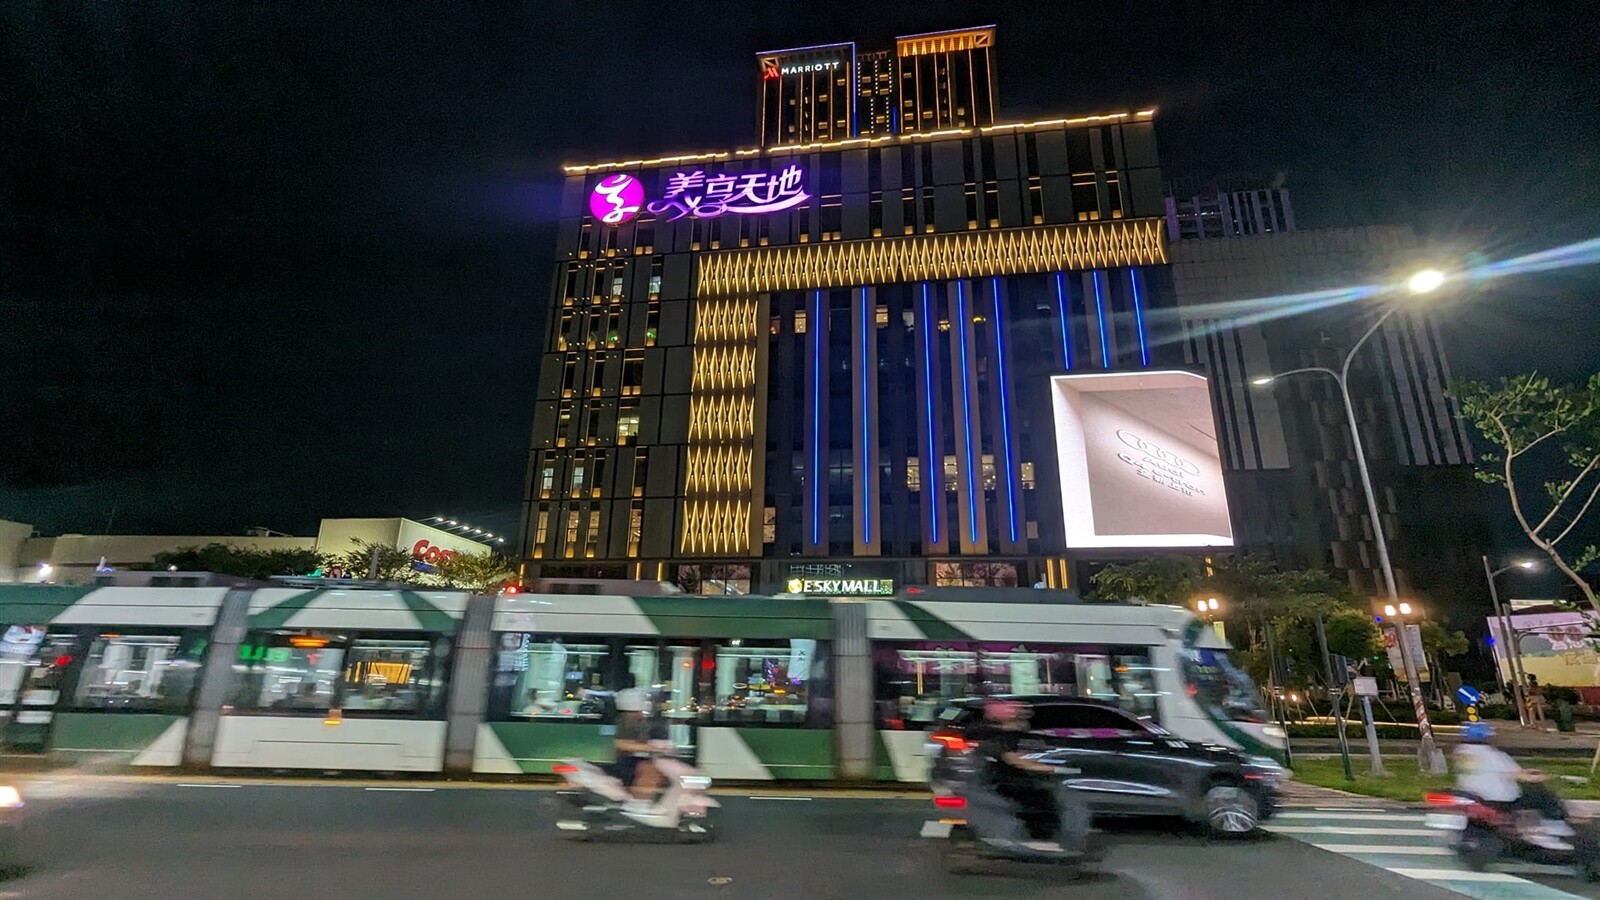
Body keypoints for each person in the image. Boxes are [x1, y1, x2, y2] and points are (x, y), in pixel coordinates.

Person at [1455, 722, 1573, 849]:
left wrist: (1528, 771)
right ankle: (1552, 828)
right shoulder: (1493, 755)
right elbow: (1521, 776)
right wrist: (1548, 777)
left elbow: (1494, 771)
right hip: (1499, 800)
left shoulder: (1461, 751)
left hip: (1474, 796)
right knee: (1541, 795)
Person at [969, 698, 1063, 846]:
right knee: (1042, 801)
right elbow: (1013, 759)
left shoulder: (990, 734)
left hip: (996, 779)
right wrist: (1050, 769)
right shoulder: (1006, 736)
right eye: (1021, 717)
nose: (1025, 722)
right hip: (1005, 781)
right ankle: (1038, 840)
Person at [611, 678, 662, 808]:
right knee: (648, 769)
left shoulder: (640, 722)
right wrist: (647, 747)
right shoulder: (624, 722)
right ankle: (638, 802)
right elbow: (619, 743)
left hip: (631, 757)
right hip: (620, 760)